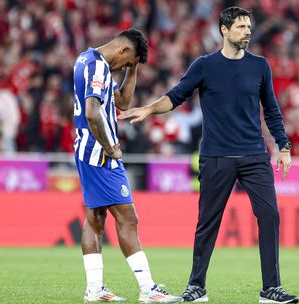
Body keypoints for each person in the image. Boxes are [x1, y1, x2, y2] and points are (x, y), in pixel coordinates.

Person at [120, 7, 299, 304]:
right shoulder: (204, 65)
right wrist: (149, 108)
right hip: (216, 156)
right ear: (224, 31)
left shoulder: (261, 66)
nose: (248, 31)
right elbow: (177, 96)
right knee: (208, 223)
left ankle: (271, 290)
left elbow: (272, 110)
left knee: (269, 216)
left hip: (255, 155)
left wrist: (284, 146)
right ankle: (197, 287)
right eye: (241, 26)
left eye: (249, 26)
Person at [72, 29, 182, 303]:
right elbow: (91, 111)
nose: (124, 67)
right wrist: (110, 147)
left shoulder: (88, 61)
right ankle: (148, 290)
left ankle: (94, 289)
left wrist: (132, 71)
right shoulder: (98, 66)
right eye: (127, 62)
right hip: (100, 153)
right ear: (123, 50)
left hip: (86, 150)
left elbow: (120, 101)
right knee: (128, 218)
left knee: (95, 218)